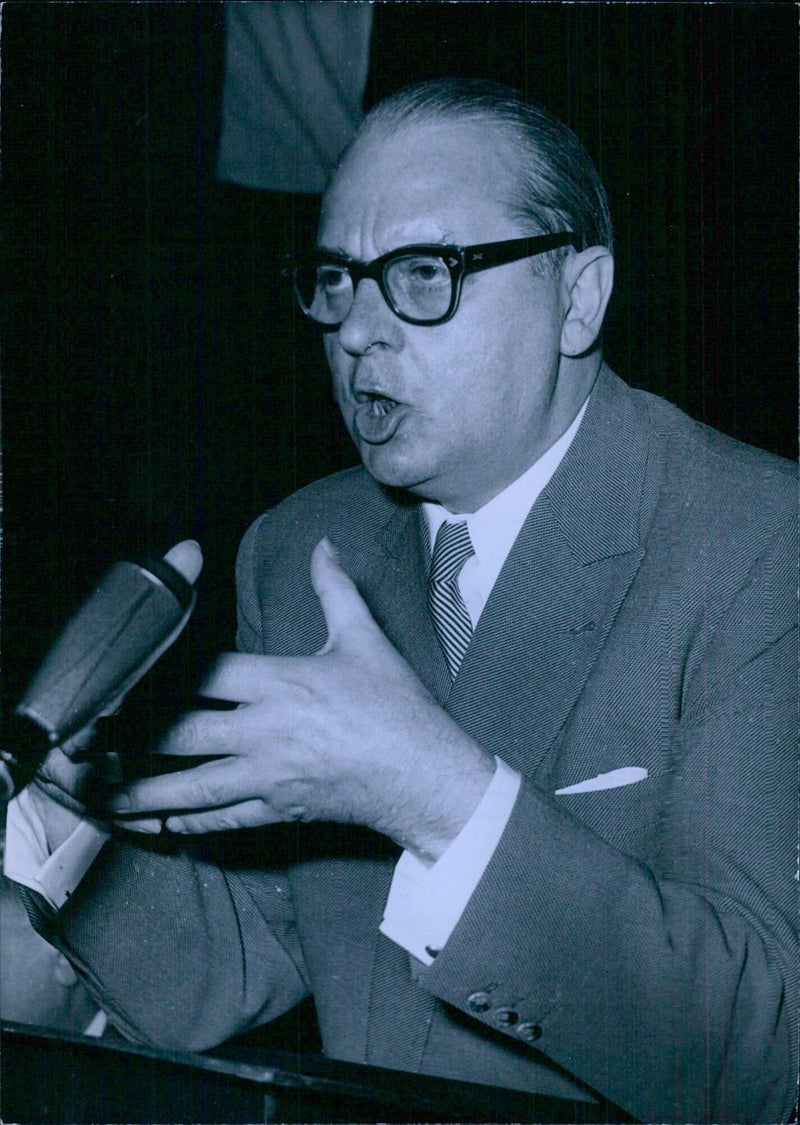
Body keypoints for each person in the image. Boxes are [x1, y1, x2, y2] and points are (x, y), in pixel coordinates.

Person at [5, 79, 797, 1124]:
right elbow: (252, 948)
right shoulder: (300, 547)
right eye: (336, 279)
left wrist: (431, 793)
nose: (357, 332)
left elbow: (762, 1058)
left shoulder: (756, 541)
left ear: (578, 298)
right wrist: (66, 804)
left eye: (423, 274)